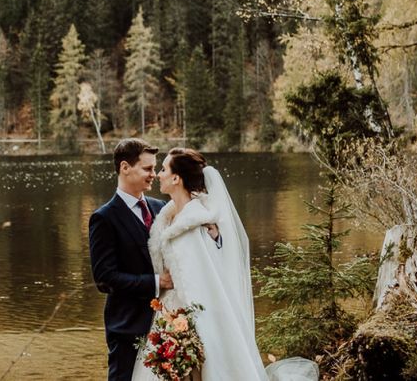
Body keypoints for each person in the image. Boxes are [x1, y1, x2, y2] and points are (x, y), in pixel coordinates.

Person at [132, 148, 319, 381]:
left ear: (176, 178)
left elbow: (201, 281)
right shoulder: (169, 218)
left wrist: (188, 327)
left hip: (190, 317)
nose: (158, 174)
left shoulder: (196, 223)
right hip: (169, 315)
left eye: (163, 169)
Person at [89, 138, 172, 381]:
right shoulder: (104, 218)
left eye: (155, 169)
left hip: (167, 323)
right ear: (125, 167)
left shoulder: (162, 208)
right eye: (148, 169)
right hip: (127, 325)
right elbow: (105, 278)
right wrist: (157, 283)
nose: (154, 175)